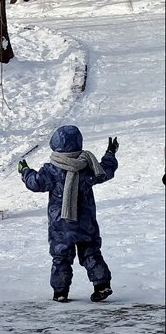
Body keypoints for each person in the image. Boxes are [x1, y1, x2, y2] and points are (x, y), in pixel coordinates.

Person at [18, 125, 118, 303]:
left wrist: (25, 170)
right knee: (91, 253)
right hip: (86, 223)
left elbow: (35, 183)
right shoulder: (87, 165)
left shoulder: (51, 170)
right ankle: (102, 284)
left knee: (61, 258)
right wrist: (110, 153)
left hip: (61, 225)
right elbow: (105, 171)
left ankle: (60, 292)